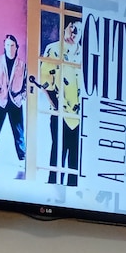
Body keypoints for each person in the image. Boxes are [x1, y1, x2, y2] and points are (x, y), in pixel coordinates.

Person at [38, 18, 83, 185]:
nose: (74, 32)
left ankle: (72, 192)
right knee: (58, 152)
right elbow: (45, 83)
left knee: (75, 158)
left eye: (79, 29)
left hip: (79, 116)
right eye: (72, 27)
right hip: (59, 112)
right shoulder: (53, 49)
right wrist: (56, 107)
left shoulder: (84, 54)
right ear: (65, 28)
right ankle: (52, 189)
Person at [0, 34, 26, 164]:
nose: (10, 48)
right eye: (7, 45)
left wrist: (21, 96)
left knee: (19, 133)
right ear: (4, 46)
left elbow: (27, 84)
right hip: (1, 101)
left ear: (17, 47)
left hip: (16, 103)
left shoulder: (22, 65)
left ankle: (23, 160)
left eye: (12, 45)